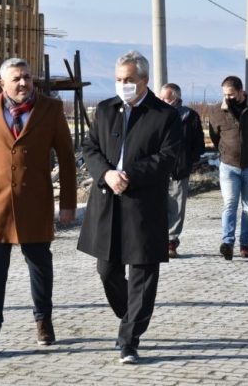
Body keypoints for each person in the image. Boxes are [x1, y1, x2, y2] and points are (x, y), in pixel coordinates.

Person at [0, 57, 77, 359]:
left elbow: (67, 159)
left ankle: (43, 320)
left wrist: (68, 203)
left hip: (35, 200)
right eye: (16, 78)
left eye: (27, 77)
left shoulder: (51, 109)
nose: (24, 82)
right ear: (3, 83)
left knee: (40, 265)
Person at [77, 51, 182, 364]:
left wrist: (129, 176)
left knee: (142, 275)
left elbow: (167, 158)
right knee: (106, 270)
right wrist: (106, 174)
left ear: (144, 80)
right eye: (118, 79)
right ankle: (131, 316)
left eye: (129, 80)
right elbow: (90, 148)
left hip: (143, 205)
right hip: (107, 202)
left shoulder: (165, 115)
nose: (123, 84)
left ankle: (129, 339)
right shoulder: (105, 109)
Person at [208, 75, 248, 260]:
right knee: (230, 204)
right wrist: (225, 151)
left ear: (241, 91)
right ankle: (227, 242)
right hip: (228, 165)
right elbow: (215, 136)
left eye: (231, 94)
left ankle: (245, 244)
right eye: (225, 95)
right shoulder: (217, 111)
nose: (227, 98)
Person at [159, 83, 205, 259]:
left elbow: (198, 143)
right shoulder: (156, 114)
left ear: (176, 98)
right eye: (161, 98)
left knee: (176, 207)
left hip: (179, 169)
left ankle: (171, 241)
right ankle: (157, 239)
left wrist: (188, 161)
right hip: (157, 169)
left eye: (165, 98)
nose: (162, 101)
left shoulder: (190, 116)